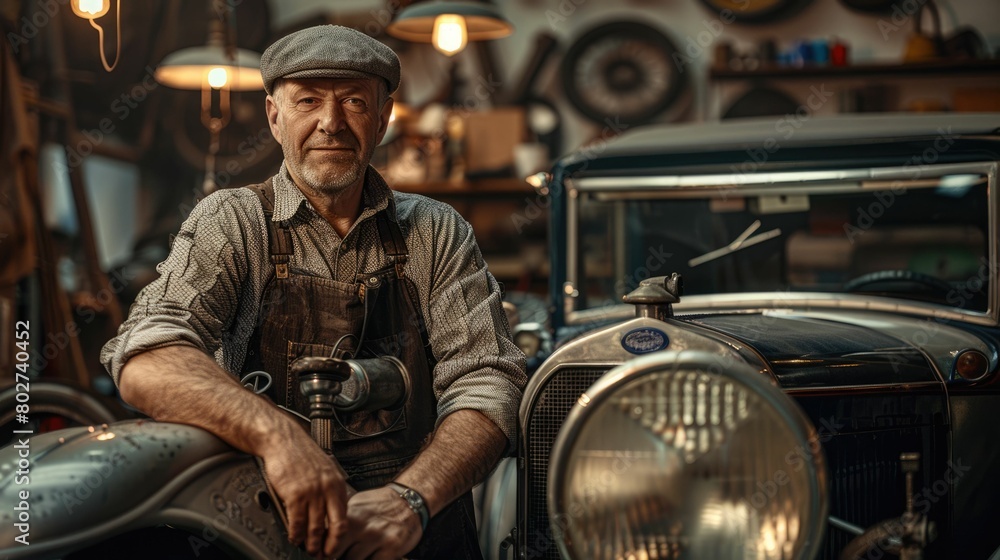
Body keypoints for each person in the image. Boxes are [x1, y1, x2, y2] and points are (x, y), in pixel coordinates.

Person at [101, 24, 526, 559]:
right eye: (307, 101)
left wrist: (410, 500)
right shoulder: (234, 221)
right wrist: (277, 438)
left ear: (383, 118)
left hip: (417, 531)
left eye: (353, 101)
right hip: (267, 528)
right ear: (275, 118)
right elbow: (148, 356)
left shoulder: (436, 230)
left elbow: (489, 381)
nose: (331, 123)